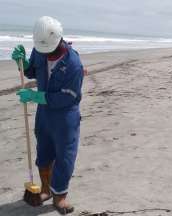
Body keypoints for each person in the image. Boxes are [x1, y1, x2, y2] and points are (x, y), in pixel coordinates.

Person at [11, 16, 84, 215]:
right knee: (43, 152)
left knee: (64, 156)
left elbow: (69, 97)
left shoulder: (74, 64)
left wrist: (37, 96)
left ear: (59, 40)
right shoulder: (40, 49)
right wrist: (23, 64)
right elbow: (33, 71)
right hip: (44, 114)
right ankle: (45, 189)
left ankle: (60, 196)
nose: (46, 54)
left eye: (49, 50)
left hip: (65, 116)